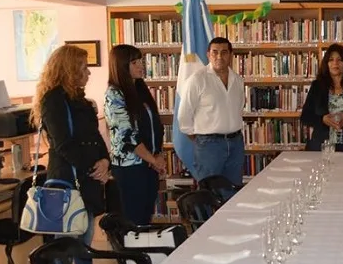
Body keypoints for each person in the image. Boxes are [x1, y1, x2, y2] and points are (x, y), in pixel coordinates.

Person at [30, 44, 110, 264]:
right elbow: (63, 144)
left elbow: (95, 138)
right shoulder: (53, 100)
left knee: (84, 239)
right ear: (69, 69)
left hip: (87, 177)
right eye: (84, 68)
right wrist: (94, 167)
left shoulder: (82, 101)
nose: (88, 73)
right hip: (66, 180)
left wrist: (105, 161)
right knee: (65, 243)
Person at [177, 37, 245, 199]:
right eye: (215, 52)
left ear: (231, 55)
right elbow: (184, 116)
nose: (219, 57)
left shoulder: (238, 80)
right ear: (208, 54)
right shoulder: (197, 80)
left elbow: (239, 107)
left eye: (224, 52)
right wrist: (203, 138)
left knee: (232, 192)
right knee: (208, 194)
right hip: (209, 145)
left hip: (235, 144)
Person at [104, 44, 166, 225]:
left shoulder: (140, 89)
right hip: (130, 168)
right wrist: (153, 160)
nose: (141, 65)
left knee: (145, 218)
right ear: (121, 66)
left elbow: (156, 126)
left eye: (140, 61)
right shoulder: (114, 94)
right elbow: (127, 135)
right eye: (134, 62)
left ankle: (141, 252)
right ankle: (131, 253)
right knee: (133, 220)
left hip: (149, 165)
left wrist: (158, 155)